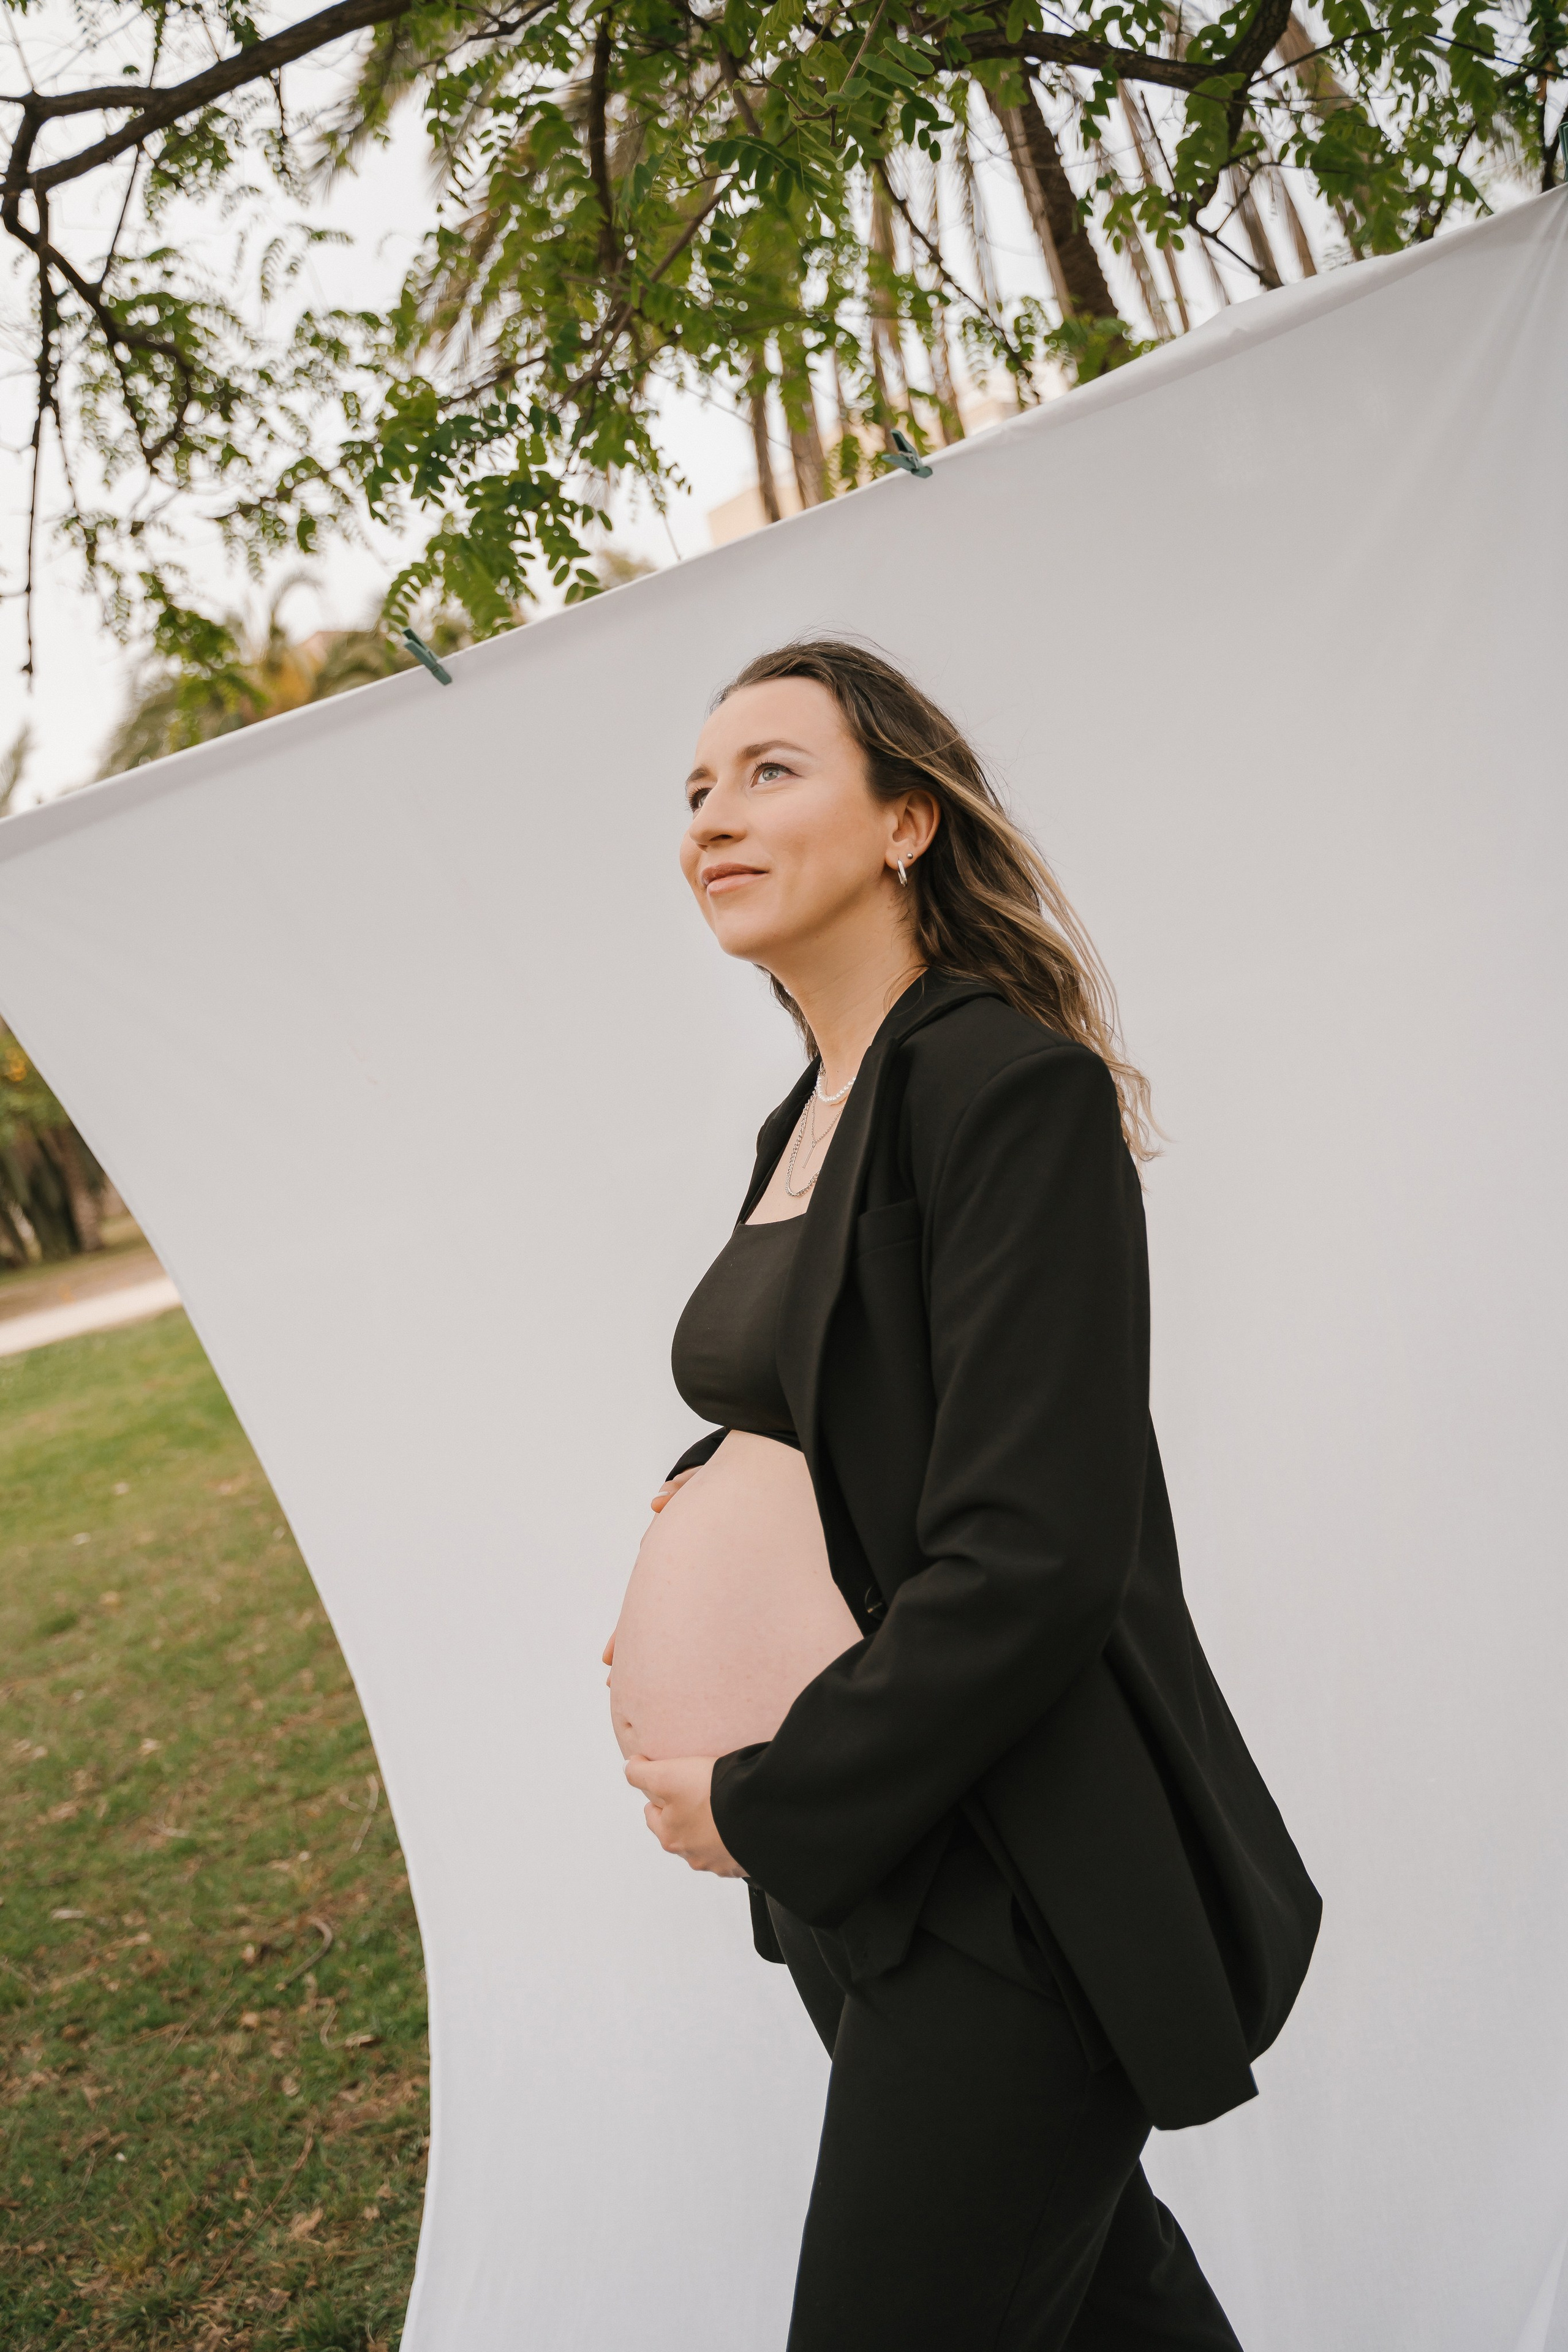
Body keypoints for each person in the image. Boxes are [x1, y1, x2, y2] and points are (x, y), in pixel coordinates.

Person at [614, 639, 1321, 2351]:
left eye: (772, 771)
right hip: (878, 1887)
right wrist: (711, 1497)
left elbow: (1035, 1554)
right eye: (696, 789)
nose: (715, 815)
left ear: (908, 819)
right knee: (1108, 2318)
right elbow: (858, 1416)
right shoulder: (809, 1112)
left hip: (1017, 1885)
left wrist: (773, 1796)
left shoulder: (1011, 1091)